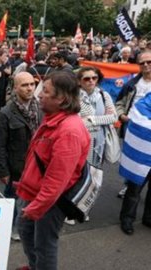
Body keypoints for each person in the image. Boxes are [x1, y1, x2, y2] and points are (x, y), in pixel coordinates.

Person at [15, 71, 90, 270]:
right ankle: (35, 266)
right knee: (25, 231)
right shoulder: (53, 118)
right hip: (35, 194)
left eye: (45, 91)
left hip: (50, 201)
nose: (39, 94)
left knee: (44, 244)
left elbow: (56, 181)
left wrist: (36, 207)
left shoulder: (69, 131)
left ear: (62, 98)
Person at [65, 67, 117, 226]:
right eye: (87, 78)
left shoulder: (104, 95)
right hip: (78, 143)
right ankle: (70, 211)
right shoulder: (73, 96)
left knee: (94, 179)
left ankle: (84, 209)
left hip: (98, 144)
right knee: (75, 178)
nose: (91, 81)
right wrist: (96, 119)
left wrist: (92, 120)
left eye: (94, 78)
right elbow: (72, 119)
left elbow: (113, 117)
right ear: (79, 81)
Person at [0, 72, 42, 240]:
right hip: (16, 167)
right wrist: (3, 171)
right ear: (15, 88)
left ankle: (29, 225)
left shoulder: (42, 108)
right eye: (24, 85)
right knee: (13, 200)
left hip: (38, 164)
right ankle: (11, 229)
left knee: (35, 197)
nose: (30, 88)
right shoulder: (5, 113)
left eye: (32, 84)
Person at [119, 51, 151, 235]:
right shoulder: (131, 84)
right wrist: (122, 115)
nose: (146, 65)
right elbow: (119, 103)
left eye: (149, 62)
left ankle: (148, 218)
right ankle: (127, 219)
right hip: (136, 139)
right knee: (135, 182)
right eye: (142, 63)